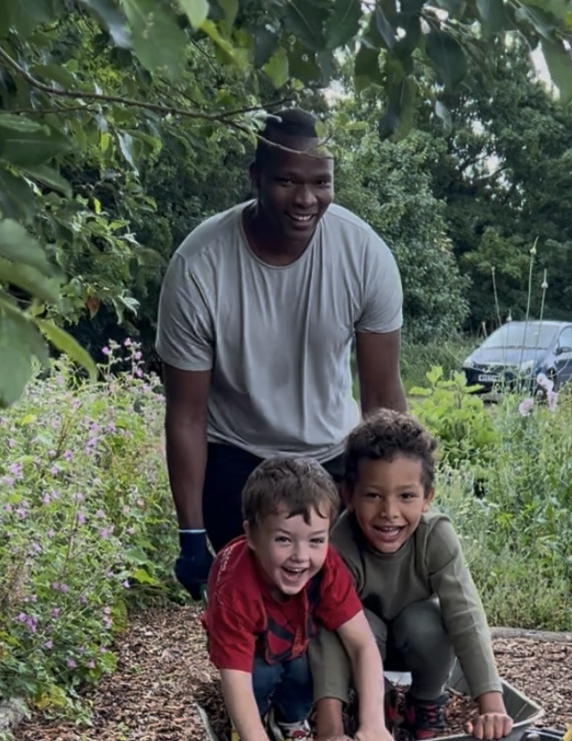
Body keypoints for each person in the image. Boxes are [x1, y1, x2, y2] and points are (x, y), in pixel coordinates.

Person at [156, 107, 408, 599]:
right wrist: (190, 533)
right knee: (256, 635)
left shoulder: (364, 254)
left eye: (321, 182)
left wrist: (393, 491)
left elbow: (380, 393)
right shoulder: (198, 267)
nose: (306, 198)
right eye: (288, 181)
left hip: (331, 456)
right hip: (236, 459)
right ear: (256, 178)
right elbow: (185, 414)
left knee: (336, 616)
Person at [308, 410, 514, 741]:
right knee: (349, 625)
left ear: (427, 496)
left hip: (415, 644)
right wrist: (329, 730)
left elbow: (466, 615)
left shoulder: (436, 537)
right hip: (361, 647)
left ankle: (424, 702)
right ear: (349, 495)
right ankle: (368, 700)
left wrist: (491, 704)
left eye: (406, 496)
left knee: (429, 619)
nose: (389, 512)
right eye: (373, 495)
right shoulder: (339, 545)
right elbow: (326, 633)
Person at [204, 456, 396, 741]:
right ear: (251, 536)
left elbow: (362, 644)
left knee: (307, 667)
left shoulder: (328, 568)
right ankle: (249, 727)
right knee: (261, 673)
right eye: (283, 539)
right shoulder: (235, 589)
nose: (300, 556)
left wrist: (372, 723)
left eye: (316, 540)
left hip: (294, 637)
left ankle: (292, 722)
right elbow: (234, 676)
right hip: (250, 654)